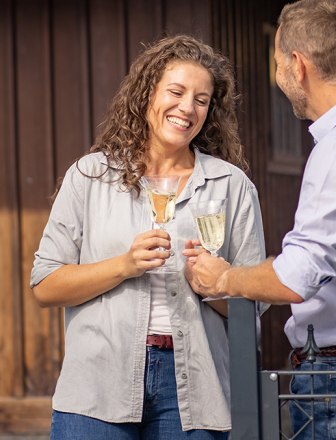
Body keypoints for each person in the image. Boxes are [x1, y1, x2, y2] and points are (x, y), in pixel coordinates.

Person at [183, 0, 336, 438]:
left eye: (277, 63)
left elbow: (298, 277)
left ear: (298, 66)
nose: (278, 77)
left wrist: (224, 278)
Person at [30, 34, 266, 439]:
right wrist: (123, 265)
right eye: (176, 91)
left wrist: (217, 284)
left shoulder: (232, 185)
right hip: (97, 385)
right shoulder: (90, 176)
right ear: (146, 94)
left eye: (201, 99)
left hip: (194, 390)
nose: (187, 108)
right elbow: (45, 285)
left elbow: (253, 311)